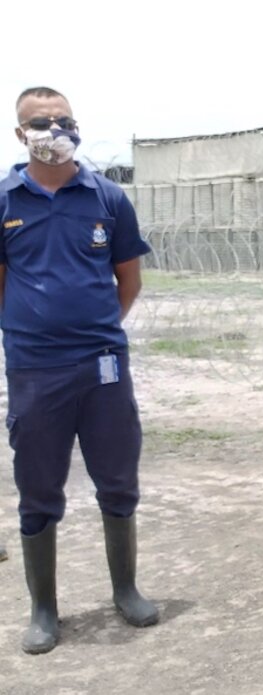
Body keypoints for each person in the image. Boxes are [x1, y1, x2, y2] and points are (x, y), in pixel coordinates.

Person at [2, 87, 158, 655]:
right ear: (21, 135)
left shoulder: (108, 197)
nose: (53, 128)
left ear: (77, 125)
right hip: (34, 369)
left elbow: (129, 280)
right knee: (38, 490)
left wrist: (94, 331)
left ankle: (126, 590)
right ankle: (44, 610)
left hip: (103, 368)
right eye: (39, 122)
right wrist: (36, 331)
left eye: (62, 119)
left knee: (117, 479)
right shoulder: (4, 200)